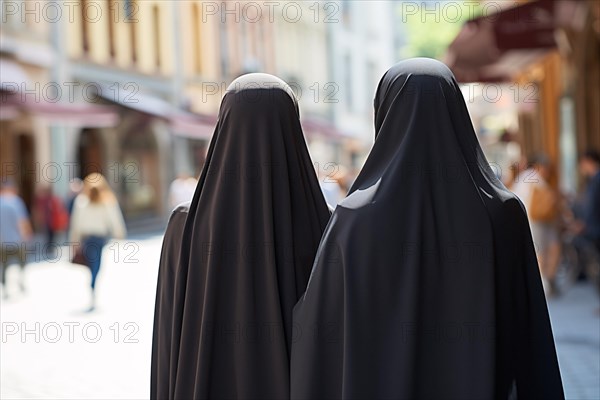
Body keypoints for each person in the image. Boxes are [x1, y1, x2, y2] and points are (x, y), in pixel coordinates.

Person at [291, 59, 564, 399]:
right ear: (456, 111)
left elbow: (321, 335)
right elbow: (529, 332)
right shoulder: (503, 212)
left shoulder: (353, 220)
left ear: (385, 115)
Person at [150, 73, 330, 399]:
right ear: (294, 131)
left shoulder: (184, 227)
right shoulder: (327, 226)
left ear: (223, 127)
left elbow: (168, 345)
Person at [69, 173, 127, 311]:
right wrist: (120, 233)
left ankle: (92, 283)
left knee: (93, 263)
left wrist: (74, 242)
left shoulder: (83, 201)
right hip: (98, 239)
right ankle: (93, 284)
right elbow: (115, 219)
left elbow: (75, 224)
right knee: (96, 264)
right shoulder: (103, 200)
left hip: (89, 239)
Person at [512, 154, 562, 295]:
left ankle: (547, 280)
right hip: (535, 220)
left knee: (547, 250)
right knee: (541, 252)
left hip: (540, 220)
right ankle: (544, 283)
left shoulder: (525, 178)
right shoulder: (533, 177)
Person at [0, 179, 33, 298]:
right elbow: (22, 221)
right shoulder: (16, 202)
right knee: (22, 262)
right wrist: (28, 234)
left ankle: (4, 288)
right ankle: (21, 281)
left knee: (3, 265)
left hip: (2, 241)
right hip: (17, 240)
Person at [575, 149, 600, 251]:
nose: (581, 167)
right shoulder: (593, 180)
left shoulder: (596, 180)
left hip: (595, 228)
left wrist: (585, 224)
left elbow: (593, 206)